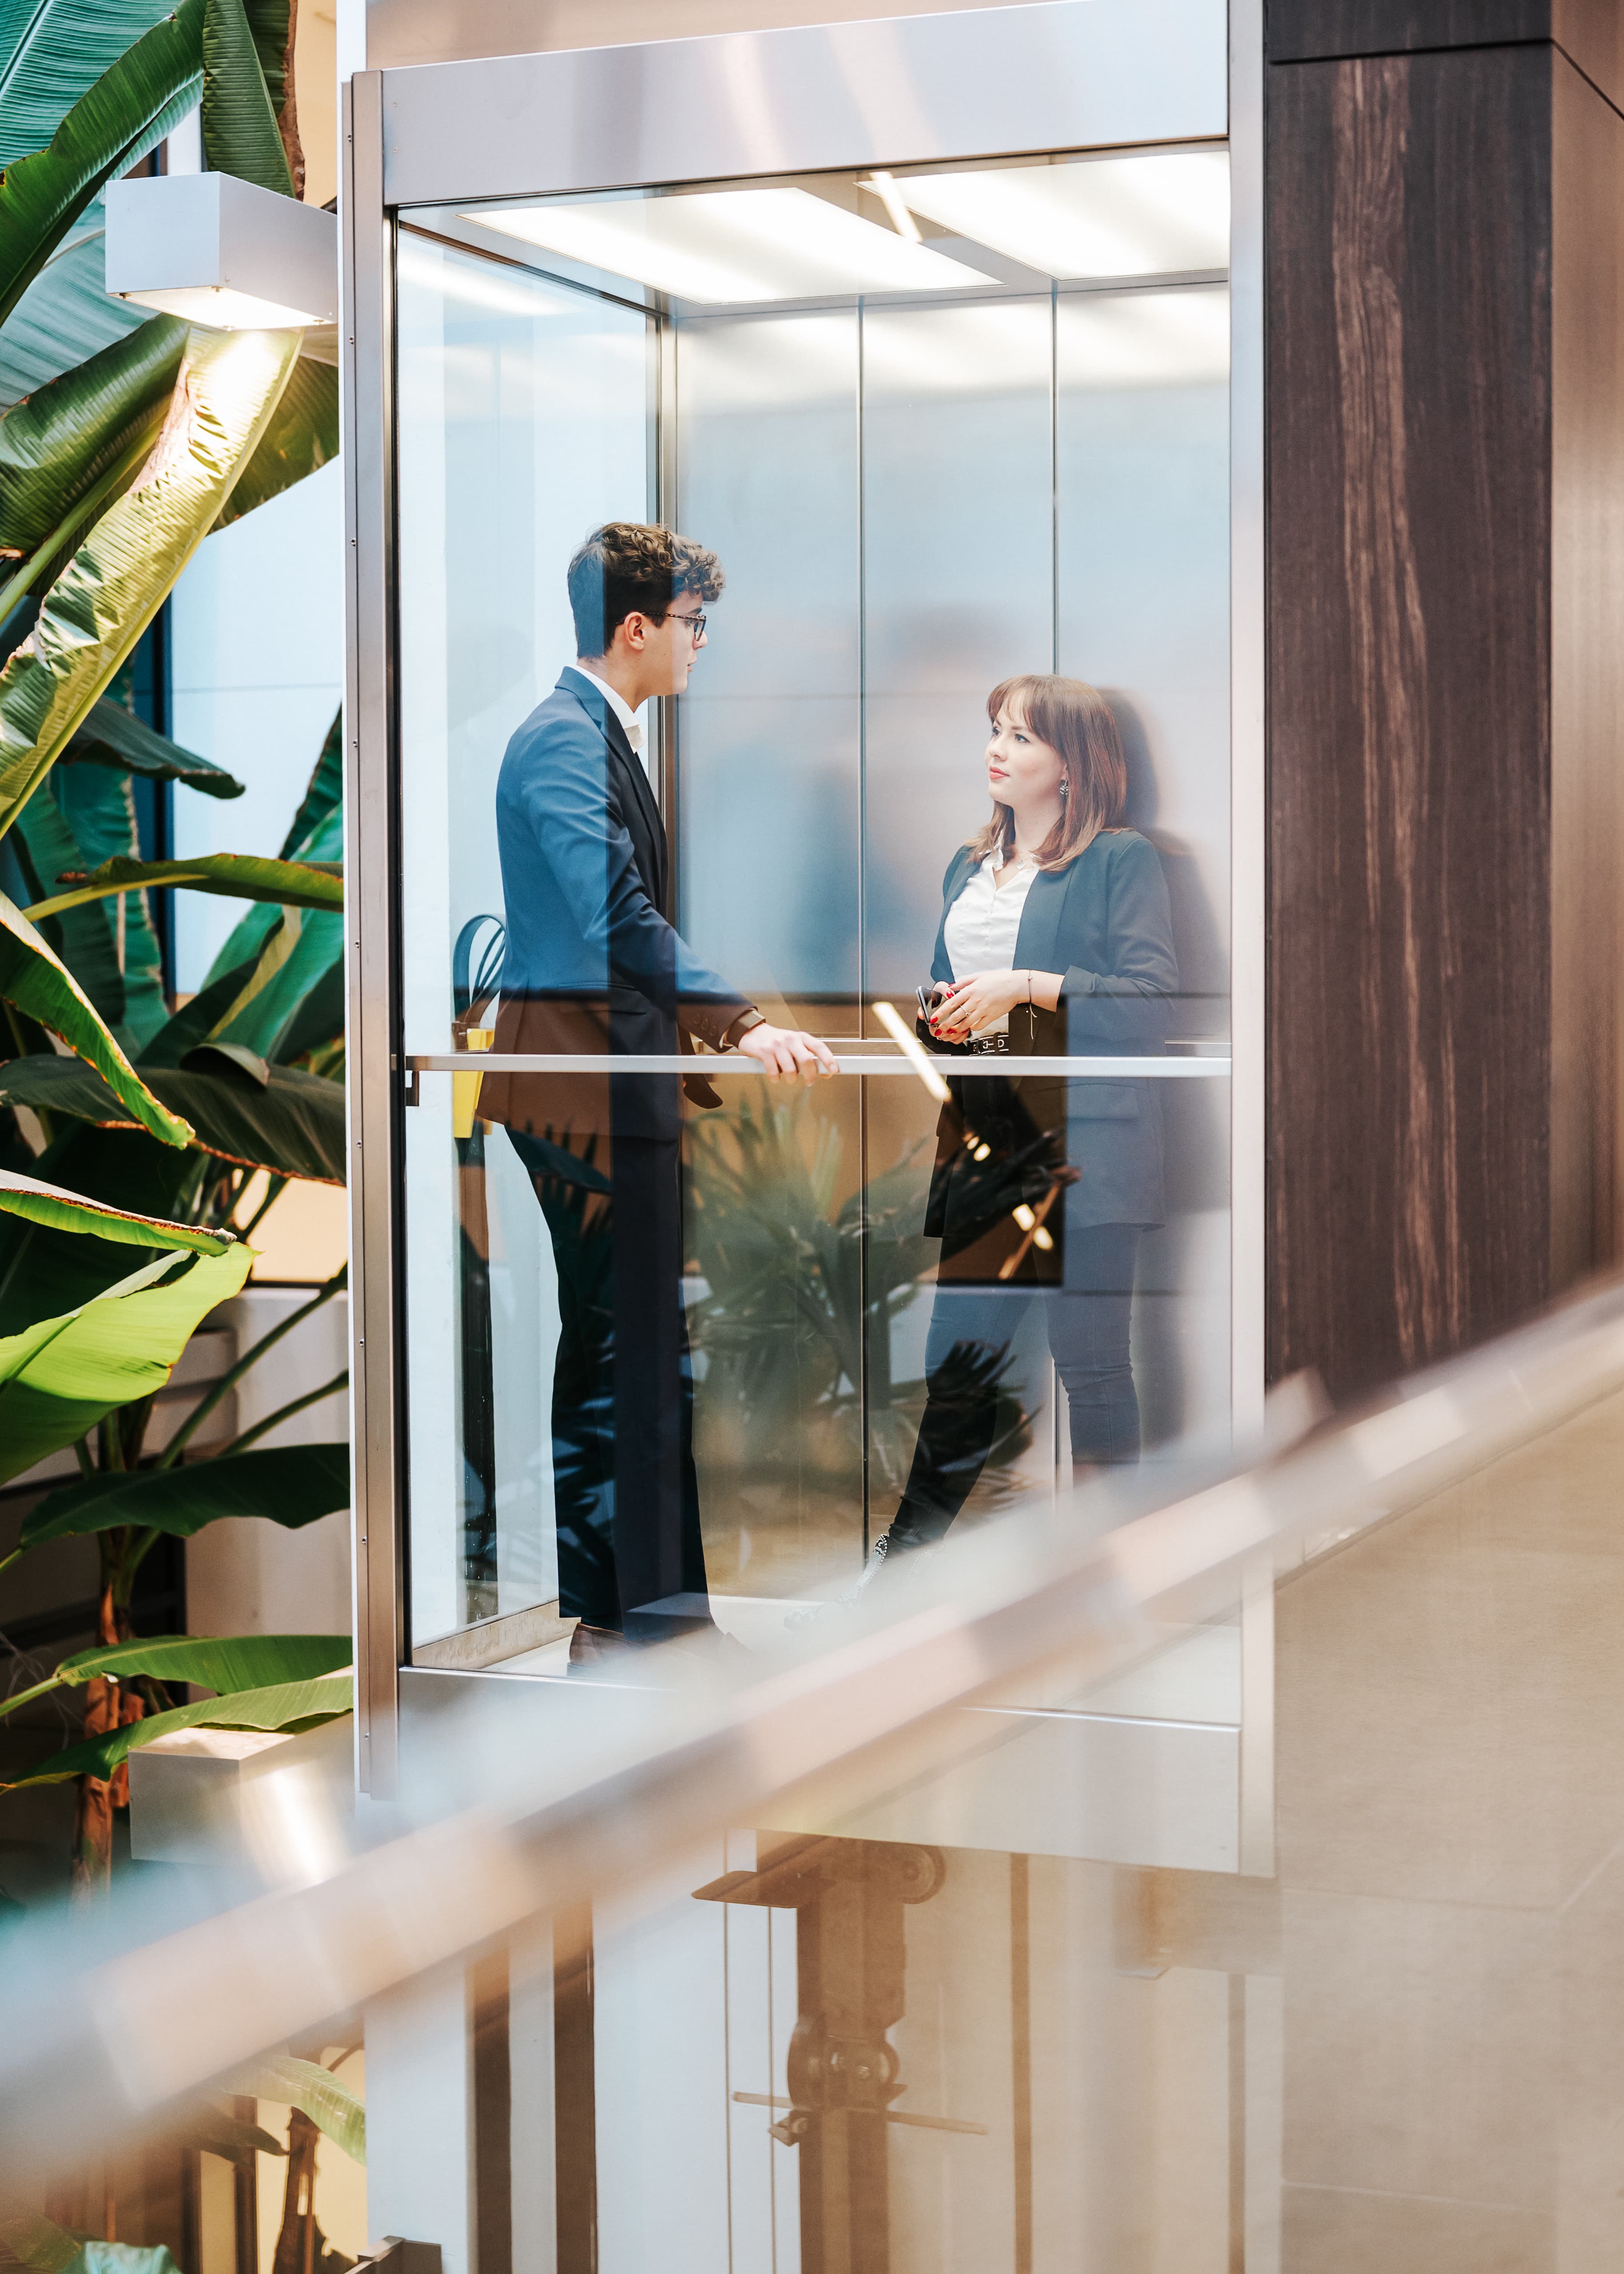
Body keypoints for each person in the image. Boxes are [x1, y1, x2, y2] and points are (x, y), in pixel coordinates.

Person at [480, 522, 835, 1665]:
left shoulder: (599, 735)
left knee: (622, 1355)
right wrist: (740, 1020)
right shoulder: (559, 744)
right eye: (691, 626)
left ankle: (641, 1617)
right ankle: (637, 1622)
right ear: (634, 629)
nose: (699, 647)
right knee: (623, 1359)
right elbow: (614, 920)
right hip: (581, 1095)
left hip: (610, 1089)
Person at [874, 673, 1177, 1566]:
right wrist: (946, 1016)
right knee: (958, 1364)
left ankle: (1108, 1569)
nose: (995, 751)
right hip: (989, 1136)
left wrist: (1027, 988)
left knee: (1091, 1365)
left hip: (1087, 1144)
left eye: (1020, 737)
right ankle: (902, 1569)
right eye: (994, 731)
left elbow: (1153, 999)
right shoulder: (967, 866)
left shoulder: (1120, 859)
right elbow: (952, 994)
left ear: (1072, 767)